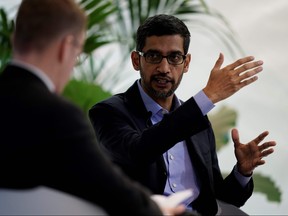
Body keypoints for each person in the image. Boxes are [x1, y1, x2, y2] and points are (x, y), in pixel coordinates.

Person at [0, 2, 188, 216]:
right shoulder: (57, 116)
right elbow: (109, 190)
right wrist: (159, 209)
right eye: (78, 53)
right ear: (65, 47)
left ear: (16, 39)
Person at [89, 14, 276, 216]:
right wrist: (208, 96)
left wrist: (242, 172)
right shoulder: (108, 112)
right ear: (136, 60)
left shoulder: (198, 120)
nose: (164, 68)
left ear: (186, 64)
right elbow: (138, 153)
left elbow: (221, 198)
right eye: (153, 56)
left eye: (174, 58)